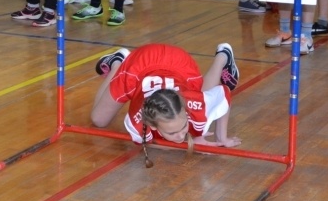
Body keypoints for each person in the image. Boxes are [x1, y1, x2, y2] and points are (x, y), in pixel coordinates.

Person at [90, 43, 241, 154]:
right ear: (152, 125)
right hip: (138, 66)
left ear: (185, 111)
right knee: (99, 120)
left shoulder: (193, 103)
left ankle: (223, 55)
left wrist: (223, 138)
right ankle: (119, 62)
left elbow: (224, 93)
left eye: (183, 127)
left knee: (202, 97)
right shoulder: (135, 122)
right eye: (172, 133)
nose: (181, 136)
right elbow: (150, 144)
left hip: (179, 63)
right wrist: (191, 142)